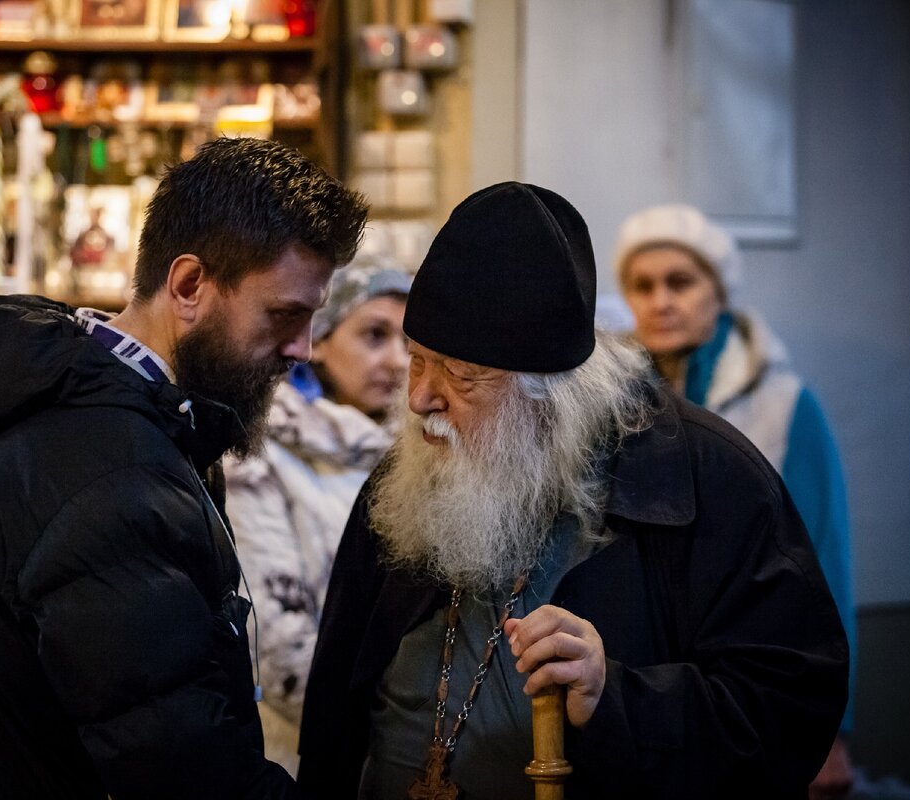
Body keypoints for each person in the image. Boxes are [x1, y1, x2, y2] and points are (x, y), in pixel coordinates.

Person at [297, 182, 848, 799]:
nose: (421, 396)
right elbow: (333, 712)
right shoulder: (405, 476)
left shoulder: (708, 477)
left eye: (461, 374)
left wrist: (612, 699)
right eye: (418, 359)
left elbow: (785, 714)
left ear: (548, 394)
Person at [0, 136, 367, 799]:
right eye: (284, 315)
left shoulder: (47, 385)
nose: (303, 349)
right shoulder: (114, 485)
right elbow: (188, 773)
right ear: (190, 284)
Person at [613, 204, 857, 799]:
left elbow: (824, 562)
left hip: (753, 673)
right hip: (654, 687)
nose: (661, 301)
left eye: (681, 281)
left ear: (719, 292)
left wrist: (833, 727)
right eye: (642, 286)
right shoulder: (614, 405)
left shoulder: (784, 405)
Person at [223, 257, 412, 774]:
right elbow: (273, 637)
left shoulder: (415, 455)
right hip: (303, 751)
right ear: (321, 340)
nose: (398, 360)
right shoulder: (261, 453)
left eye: (410, 342)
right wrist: (387, 730)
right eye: (374, 335)